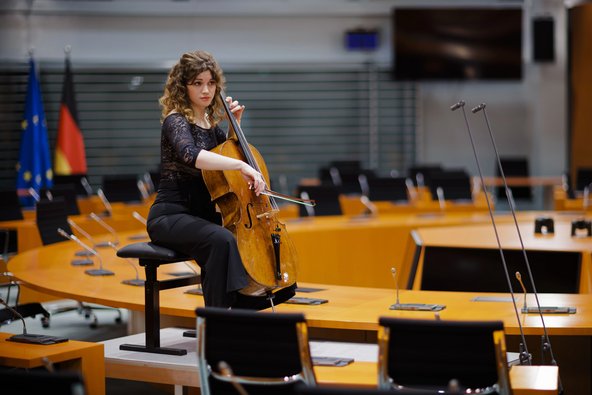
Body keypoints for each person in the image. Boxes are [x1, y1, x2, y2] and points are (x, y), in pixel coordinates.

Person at [147, 50, 295, 309]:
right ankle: (217, 321)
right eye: (198, 83)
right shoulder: (175, 120)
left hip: (199, 216)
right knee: (221, 240)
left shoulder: (208, 123)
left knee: (231, 237)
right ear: (183, 87)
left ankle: (235, 308)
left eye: (211, 83)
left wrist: (233, 126)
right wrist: (241, 166)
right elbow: (191, 155)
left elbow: (221, 162)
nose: (206, 90)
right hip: (170, 216)